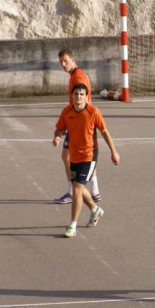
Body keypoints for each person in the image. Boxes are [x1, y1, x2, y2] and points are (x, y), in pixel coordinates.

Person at [53, 83, 120, 238]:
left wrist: (113, 152)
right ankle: (95, 210)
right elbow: (60, 128)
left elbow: (104, 132)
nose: (79, 97)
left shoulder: (93, 112)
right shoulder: (67, 111)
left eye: (82, 94)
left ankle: (72, 225)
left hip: (89, 156)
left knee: (76, 189)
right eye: (76, 94)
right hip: (74, 155)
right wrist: (57, 136)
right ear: (72, 96)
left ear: (86, 96)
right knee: (80, 189)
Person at [54, 49, 101, 204]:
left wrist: (73, 120)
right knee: (86, 156)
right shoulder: (75, 75)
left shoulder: (78, 76)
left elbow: (83, 101)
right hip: (81, 120)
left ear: (73, 60)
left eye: (65, 61)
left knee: (67, 156)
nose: (63, 64)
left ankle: (71, 192)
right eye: (61, 61)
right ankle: (95, 190)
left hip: (80, 121)